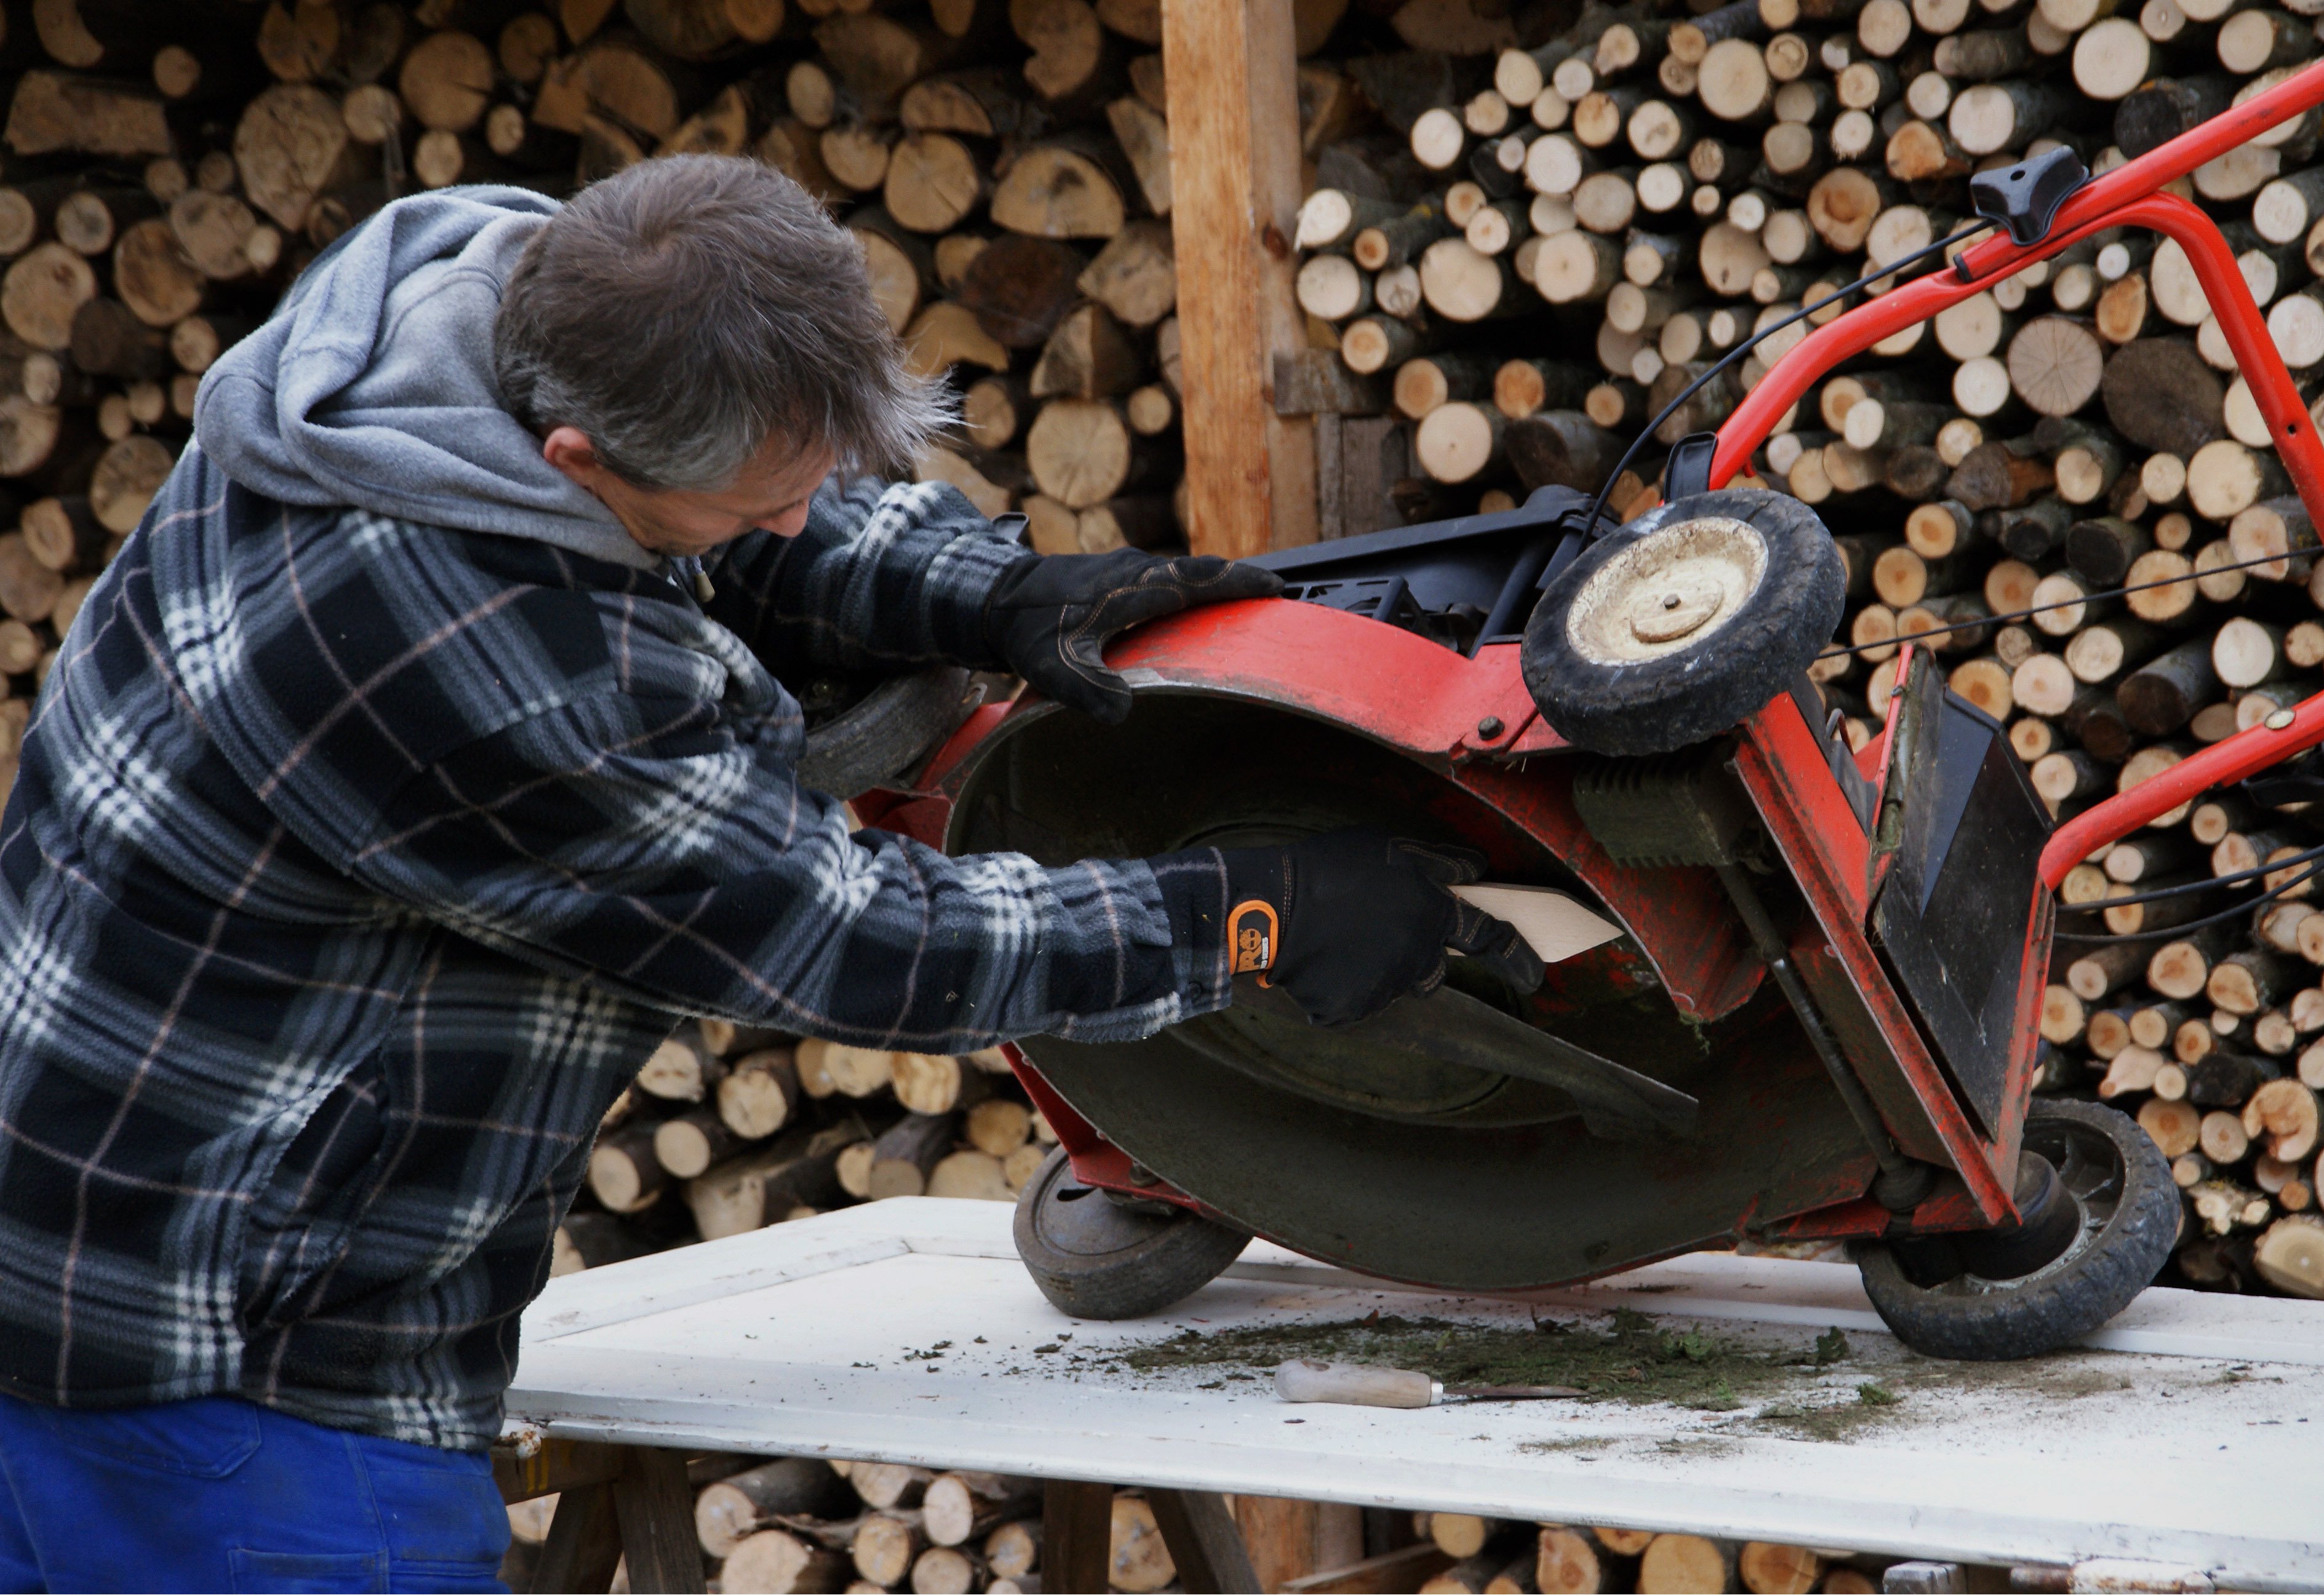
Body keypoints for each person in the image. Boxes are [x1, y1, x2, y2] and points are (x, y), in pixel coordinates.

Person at [0, 156, 1536, 1591]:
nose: (796, 518)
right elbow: (854, 939)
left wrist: (996, 591)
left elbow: (747, 517)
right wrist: (1247, 915)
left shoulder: (484, 310)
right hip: (215, 1365)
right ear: (576, 460)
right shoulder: (473, 649)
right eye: (758, 503)